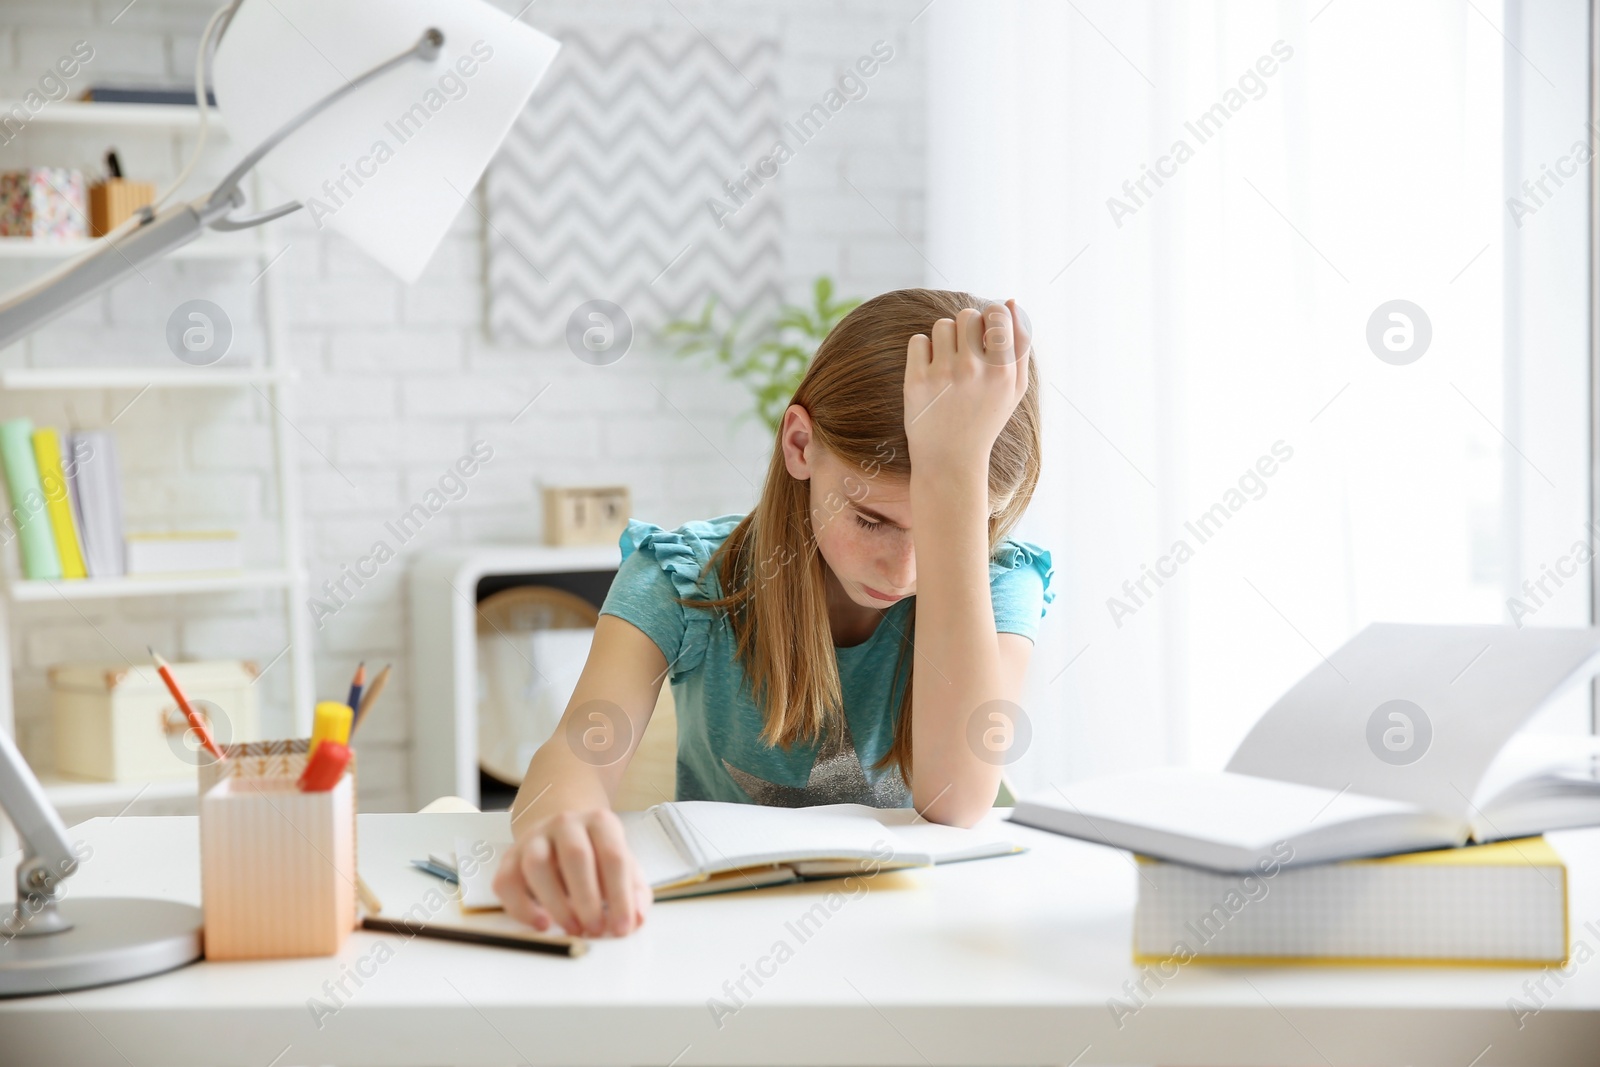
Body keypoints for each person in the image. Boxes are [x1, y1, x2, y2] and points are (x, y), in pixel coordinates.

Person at [493, 288, 1053, 937]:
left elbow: (954, 799)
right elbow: (575, 757)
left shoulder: (1001, 581)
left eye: (949, 526)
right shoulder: (683, 575)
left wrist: (953, 476)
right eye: (872, 518)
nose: (903, 570)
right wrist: (561, 823)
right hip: (728, 931)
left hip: (920, 933)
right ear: (799, 445)